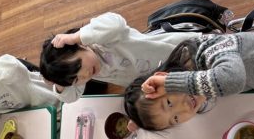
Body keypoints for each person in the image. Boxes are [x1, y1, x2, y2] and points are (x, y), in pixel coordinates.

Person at [124, 32, 254, 131]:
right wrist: (142, 121)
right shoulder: (195, 83)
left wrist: (172, 83)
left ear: (165, 78)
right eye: (175, 119)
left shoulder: (205, 50)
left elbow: (233, 80)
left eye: (169, 103)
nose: (184, 109)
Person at [40, 12, 200, 103]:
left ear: (81, 45)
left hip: (181, 51)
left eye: (78, 66)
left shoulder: (103, 41)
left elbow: (116, 24)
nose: (84, 75)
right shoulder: (90, 72)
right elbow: (70, 98)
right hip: (167, 78)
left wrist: (76, 36)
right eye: (76, 80)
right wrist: (59, 83)